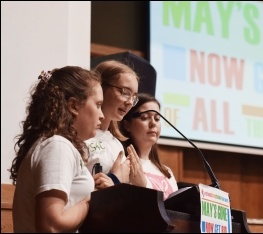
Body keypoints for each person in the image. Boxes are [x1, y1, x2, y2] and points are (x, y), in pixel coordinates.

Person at [9, 66, 104, 232]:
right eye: (98, 105)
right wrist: (92, 200)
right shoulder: (58, 147)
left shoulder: (56, 145)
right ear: (74, 106)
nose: (101, 115)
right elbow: (51, 225)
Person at [85, 60, 139, 188]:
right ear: (101, 87)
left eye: (134, 97)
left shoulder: (116, 145)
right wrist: (114, 180)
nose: (130, 102)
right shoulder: (81, 136)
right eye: (125, 92)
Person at [120, 93, 178, 199]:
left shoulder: (167, 172)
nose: (153, 123)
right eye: (144, 117)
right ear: (127, 125)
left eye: (157, 119)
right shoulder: (123, 164)